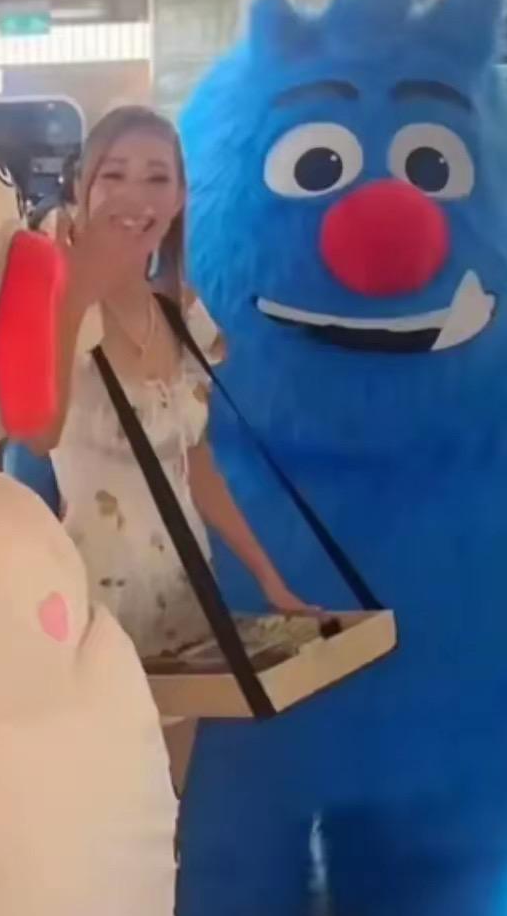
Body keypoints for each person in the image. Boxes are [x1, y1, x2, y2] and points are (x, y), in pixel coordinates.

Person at [21, 104, 311, 658]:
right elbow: (39, 436)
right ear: (81, 188)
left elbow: (193, 461)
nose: (136, 197)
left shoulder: (182, 315)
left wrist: (268, 577)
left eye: (157, 179)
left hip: (188, 596)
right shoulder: (57, 310)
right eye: (114, 175)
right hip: (89, 606)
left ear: (179, 199)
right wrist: (74, 299)